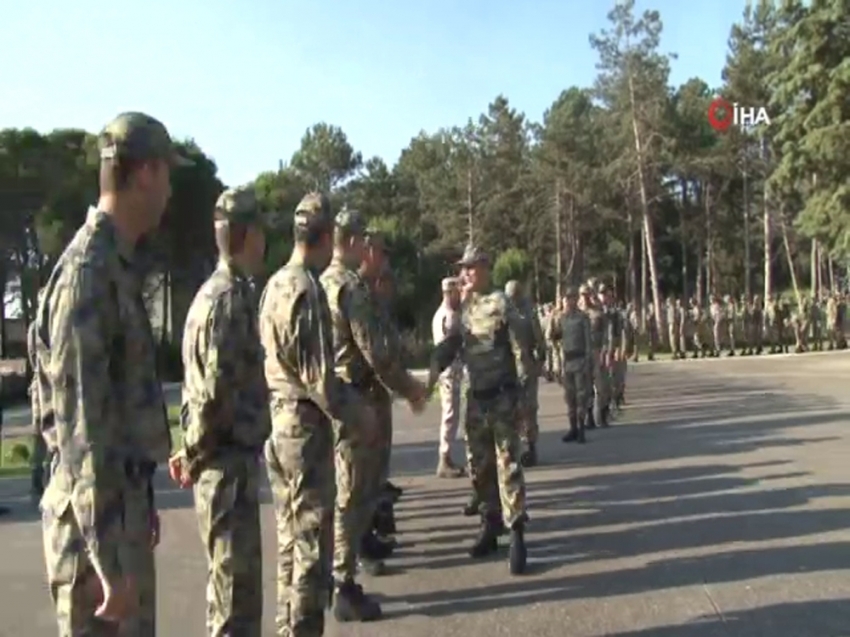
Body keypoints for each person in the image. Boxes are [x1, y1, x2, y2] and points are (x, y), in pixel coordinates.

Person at [36, 112, 190, 635]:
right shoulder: (89, 276)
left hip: (114, 523)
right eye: (167, 174)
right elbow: (83, 431)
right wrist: (107, 561)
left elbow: (118, 410)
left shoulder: (115, 268)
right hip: (92, 549)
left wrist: (139, 502)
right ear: (144, 173)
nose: (170, 189)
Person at [168, 185, 270, 636]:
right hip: (225, 471)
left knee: (235, 598)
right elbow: (214, 396)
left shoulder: (213, 294)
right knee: (234, 606)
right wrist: (191, 454)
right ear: (248, 235)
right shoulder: (228, 301)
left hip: (226, 468)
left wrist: (187, 449)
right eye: (262, 231)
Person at [320, 211, 427, 619]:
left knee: (346, 493)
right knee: (353, 495)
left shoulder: (319, 282)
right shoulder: (349, 287)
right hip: (356, 401)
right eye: (365, 241)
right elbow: (377, 356)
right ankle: (343, 587)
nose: (370, 249)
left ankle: (341, 573)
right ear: (351, 241)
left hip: (333, 398)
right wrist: (411, 390)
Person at [258, 192, 339, 637]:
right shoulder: (307, 289)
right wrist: (356, 416)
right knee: (310, 543)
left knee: (289, 539)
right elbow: (321, 381)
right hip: (304, 427)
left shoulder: (273, 284)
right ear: (325, 237)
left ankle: (287, 627)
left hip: (278, 422)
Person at [427, 244, 532, 576]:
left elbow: (521, 350)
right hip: (477, 401)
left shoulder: (501, 304)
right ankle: (490, 525)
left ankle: (516, 533)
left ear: (486, 268)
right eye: (463, 268)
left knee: (508, 466)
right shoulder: (466, 307)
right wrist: (428, 375)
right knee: (479, 467)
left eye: (471, 268)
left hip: (502, 398)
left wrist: (524, 401)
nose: (465, 273)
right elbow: (452, 344)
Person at [504, 280, 546, 467]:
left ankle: (529, 446)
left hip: (524, 366)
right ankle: (520, 447)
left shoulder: (527, 313)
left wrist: (539, 361)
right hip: (512, 367)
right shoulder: (506, 314)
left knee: (527, 408)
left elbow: (539, 341)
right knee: (518, 408)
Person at [431, 277, 465, 478]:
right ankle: (444, 458)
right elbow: (454, 345)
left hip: (448, 370)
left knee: (450, 413)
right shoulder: (450, 316)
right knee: (451, 414)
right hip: (450, 371)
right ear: (450, 293)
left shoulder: (441, 314)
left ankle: (447, 456)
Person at [547, 287, 590, 443]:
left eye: (572, 298)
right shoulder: (561, 318)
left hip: (580, 360)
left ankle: (581, 429)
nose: (569, 301)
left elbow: (588, 342)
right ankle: (573, 428)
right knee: (569, 398)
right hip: (567, 361)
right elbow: (553, 337)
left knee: (581, 396)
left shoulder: (583, 318)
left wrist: (588, 361)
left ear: (576, 299)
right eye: (567, 298)